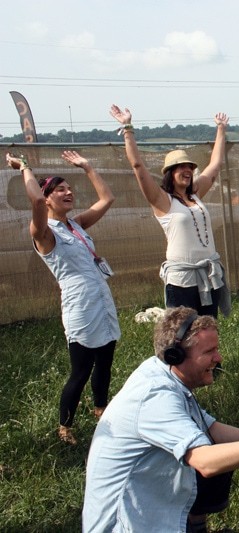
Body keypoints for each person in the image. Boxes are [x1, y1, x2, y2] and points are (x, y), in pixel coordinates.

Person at [82, 306, 239, 532]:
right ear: (175, 355)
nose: (219, 358)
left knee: (213, 443)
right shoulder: (155, 397)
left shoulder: (162, 372)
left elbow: (211, 429)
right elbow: (206, 463)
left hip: (148, 514)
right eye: (209, 351)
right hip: (123, 526)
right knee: (215, 457)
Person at [6, 151, 120, 446]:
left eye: (69, 188)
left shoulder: (76, 225)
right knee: (81, 370)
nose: (68, 192)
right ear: (47, 198)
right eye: (60, 189)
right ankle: (65, 426)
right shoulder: (44, 232)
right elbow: (33, 200)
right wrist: (25, 168)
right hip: (79, 306)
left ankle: (101, 408)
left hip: (101, 300)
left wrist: (87, 167)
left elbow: (107, 200)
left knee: (105, 361)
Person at [109, 105, 231, 318]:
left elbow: (216, 164)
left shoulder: (195, 193)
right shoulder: (161, 200)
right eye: (180, 167)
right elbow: (138, 166)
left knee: (207, 329)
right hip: (182, 280)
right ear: (169, 173)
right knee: (181, 333)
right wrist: (127, 128)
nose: (187, 170)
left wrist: (221, 129)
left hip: (208, 275)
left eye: (189, 167)